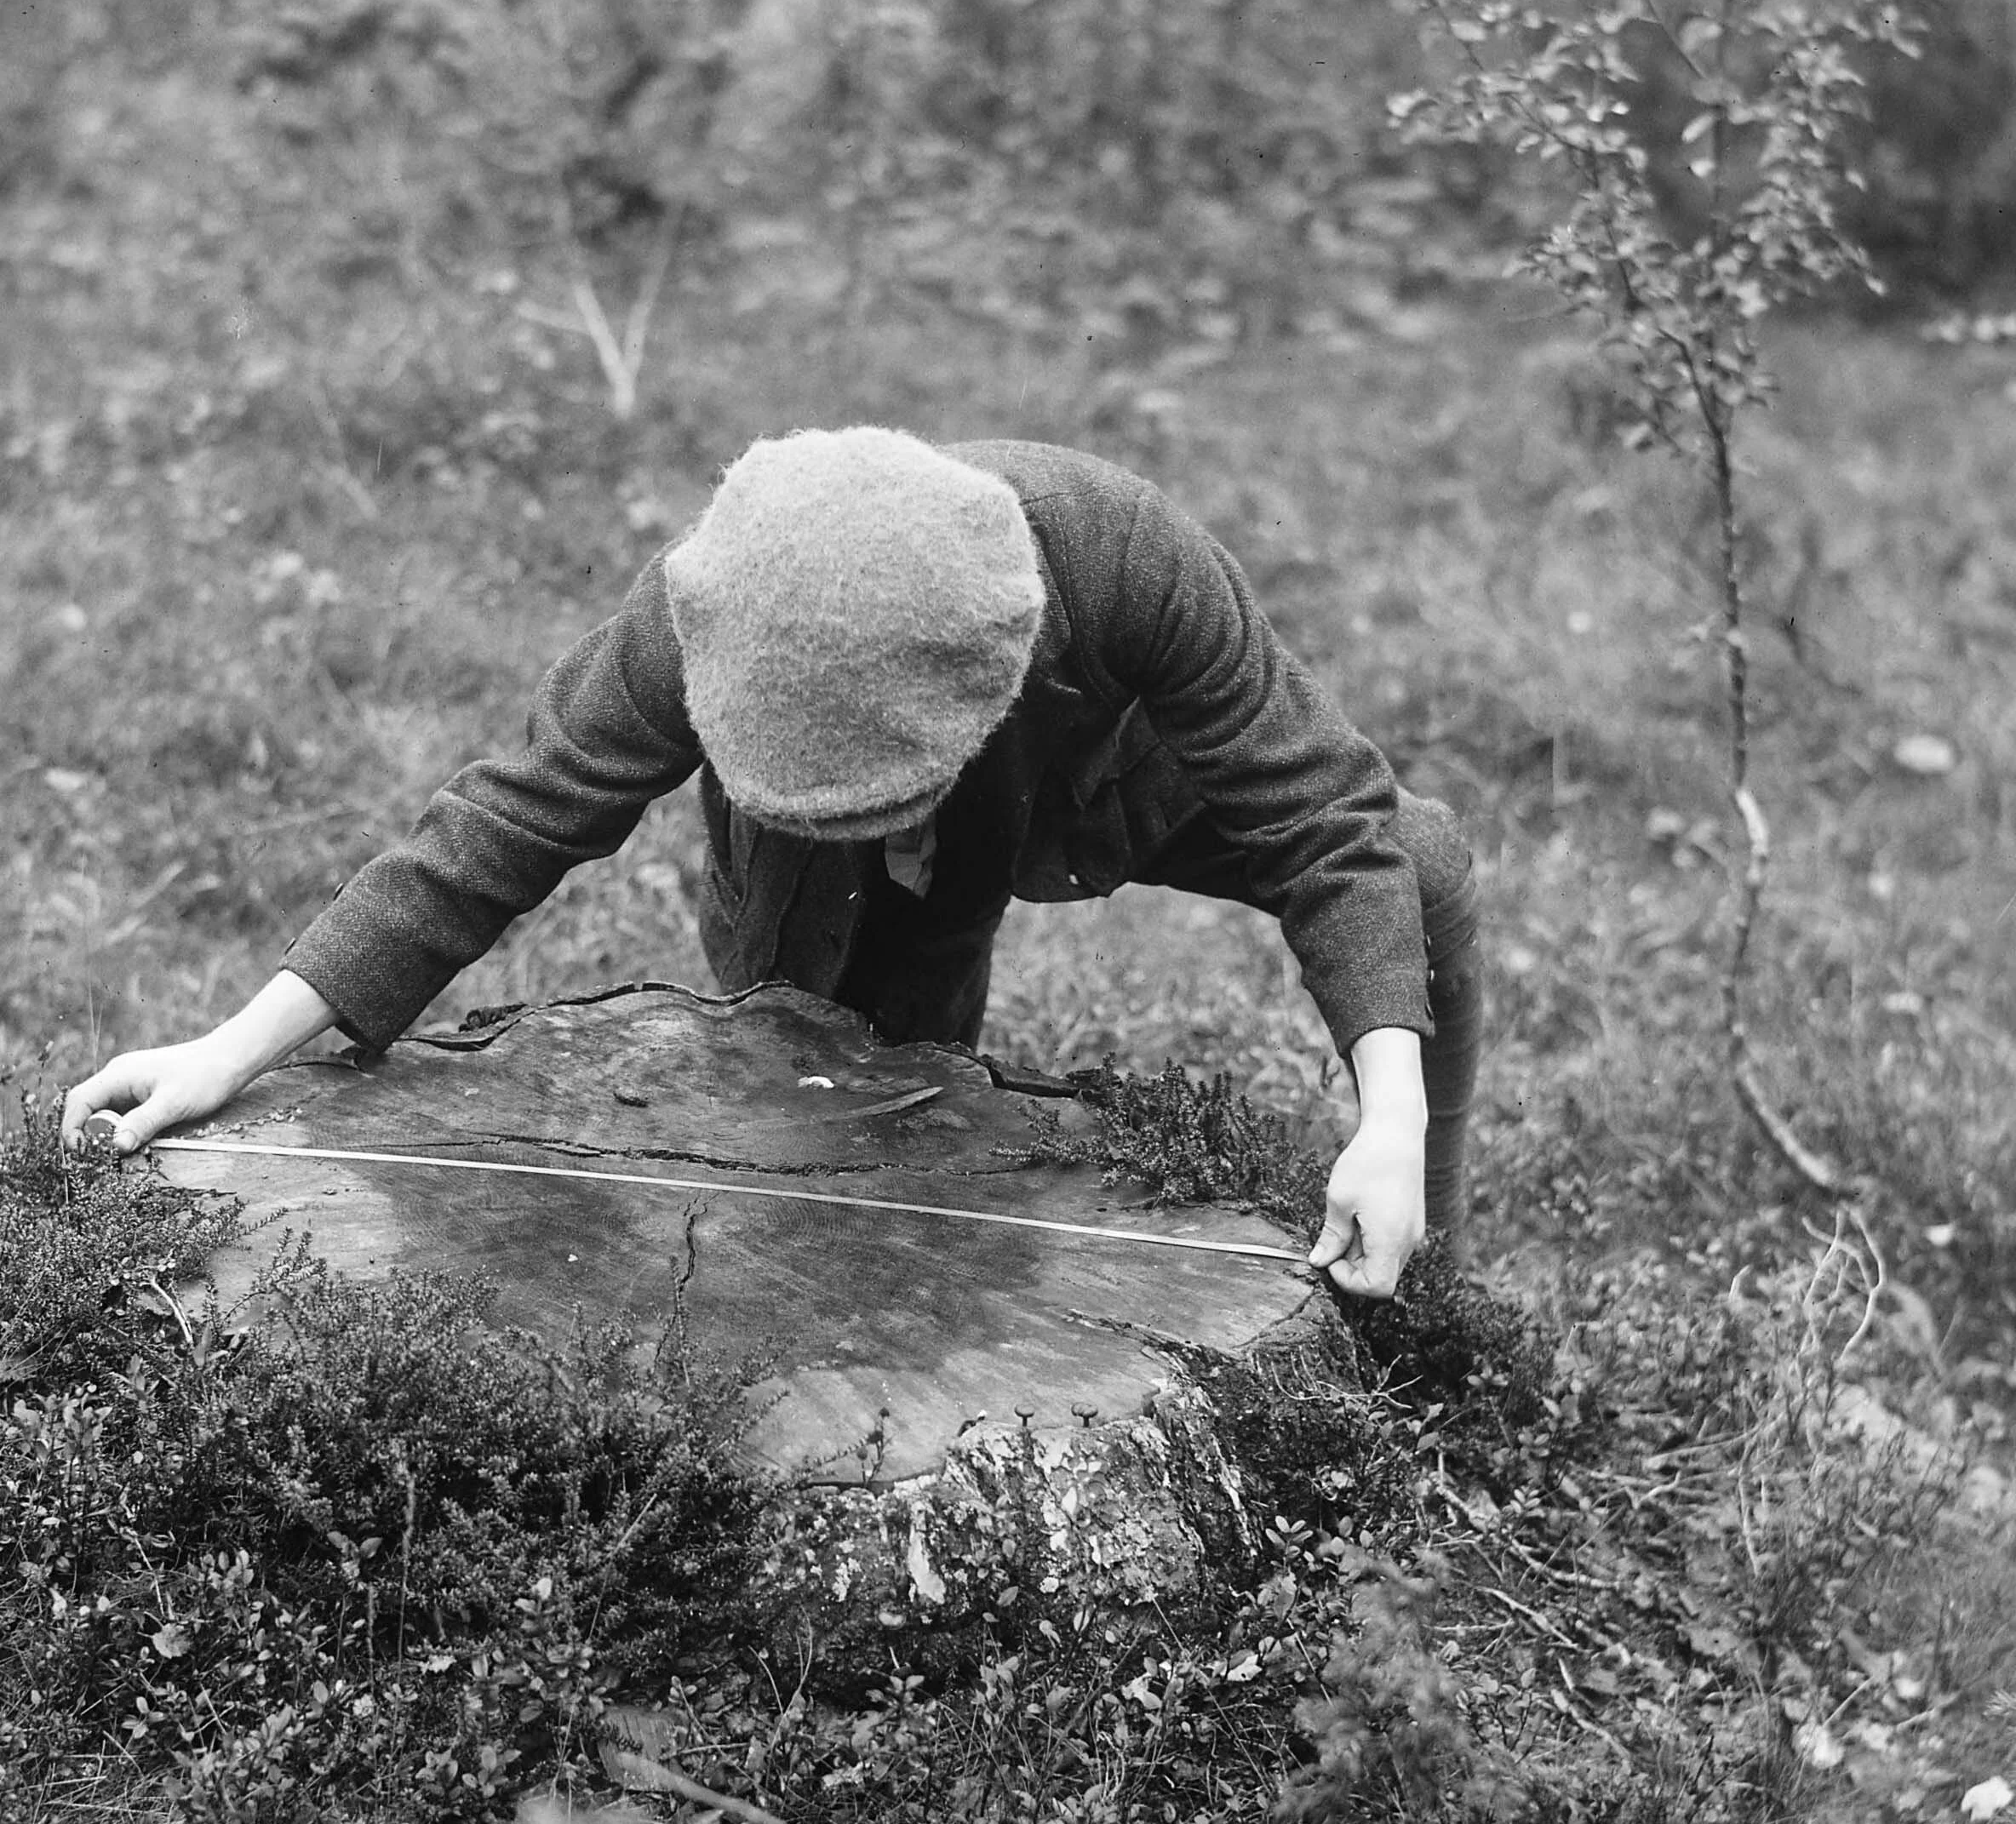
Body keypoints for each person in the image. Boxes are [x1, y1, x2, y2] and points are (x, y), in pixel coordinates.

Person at [63, 428, 1483, 1297]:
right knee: (838, 1101)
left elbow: (1329, 820)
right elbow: (499, 824)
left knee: (1418, 868)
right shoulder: (703, 604)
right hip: (816, 877)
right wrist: (232, 1048)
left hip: (1107, 779)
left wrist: (1393, 1121)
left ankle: (1424, 1254)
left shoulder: (1122, 550)